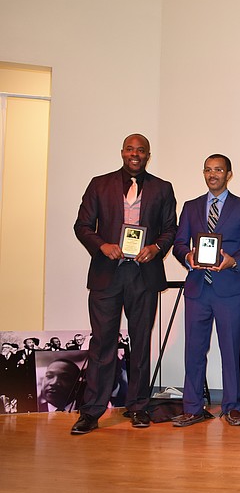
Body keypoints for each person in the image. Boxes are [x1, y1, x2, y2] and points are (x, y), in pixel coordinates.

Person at [72, 133, 177, 434]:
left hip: (142, 275)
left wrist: (155, 249)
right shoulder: (99, 184)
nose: (135, 154)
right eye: (130, 149)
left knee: (141, 341)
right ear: (122, 152)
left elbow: (170, 229)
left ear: (148, 155)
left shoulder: (162, 188)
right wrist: (102, 245)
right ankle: (92, 411)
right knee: (102, 343)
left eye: (140, 150)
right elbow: (82, 226)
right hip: (108, 273)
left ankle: (138, 406)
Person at [171, 154, 240, 427]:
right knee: (193, 350)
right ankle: (193, 408)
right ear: (204, 173)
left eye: (218, 170)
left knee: (230, 350)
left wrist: (233, 261)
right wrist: (187, 257)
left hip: (230, 289)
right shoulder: (190, 207)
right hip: (198, 288)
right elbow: (179, 244)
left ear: (228, 174)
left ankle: (232, 407)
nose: (213, 175)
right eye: (208, 170)